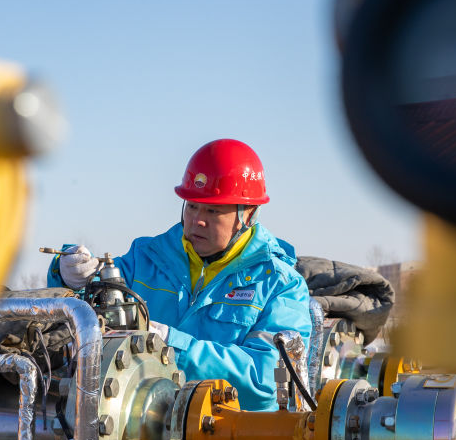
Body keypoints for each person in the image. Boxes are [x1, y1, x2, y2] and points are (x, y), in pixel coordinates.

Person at [48, 138, 312, 412]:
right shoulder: (145, 258)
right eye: (192, 205)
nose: (197, 219)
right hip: (141, 436)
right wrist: (66, 273)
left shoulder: (280, 285)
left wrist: (168, 345)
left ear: (249, 214)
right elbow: (90, 305)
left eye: (212, 210)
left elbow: (265, 381)